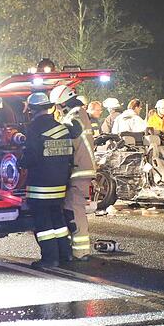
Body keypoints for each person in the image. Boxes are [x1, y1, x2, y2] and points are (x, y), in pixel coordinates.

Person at [20, 91, 81, 268]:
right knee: (58, 220)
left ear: (31, 110)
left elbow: (31, 156)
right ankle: (65, 254)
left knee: (44, 224)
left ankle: (50, 259)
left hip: (40, 185)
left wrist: (20, 162)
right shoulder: (62, 128)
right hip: (60, 184)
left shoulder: (34, 129)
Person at [51, 85, 93, 261]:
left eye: (58, 106)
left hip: (79, 170)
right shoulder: (80, 113)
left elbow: (63, 134)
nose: (58, 110)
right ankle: (75, 248)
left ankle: (81, 251)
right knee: (70, 208)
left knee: (74, 210)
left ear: (62, 103)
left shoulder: (74, 116)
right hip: (81, 168)